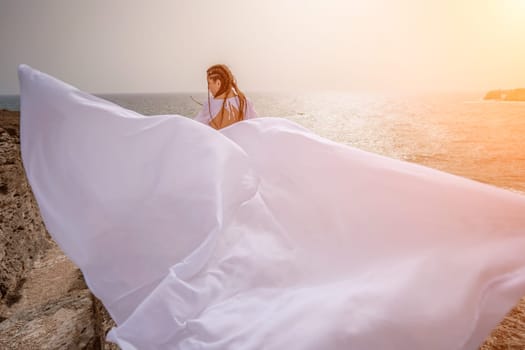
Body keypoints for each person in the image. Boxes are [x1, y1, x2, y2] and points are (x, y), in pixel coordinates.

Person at [194, 64, 257, 129]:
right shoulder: (244, 103)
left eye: (209, 83)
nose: (208, 88)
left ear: (218, 83)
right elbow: (255, 126)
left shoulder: (211, 105)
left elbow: (196, 128)